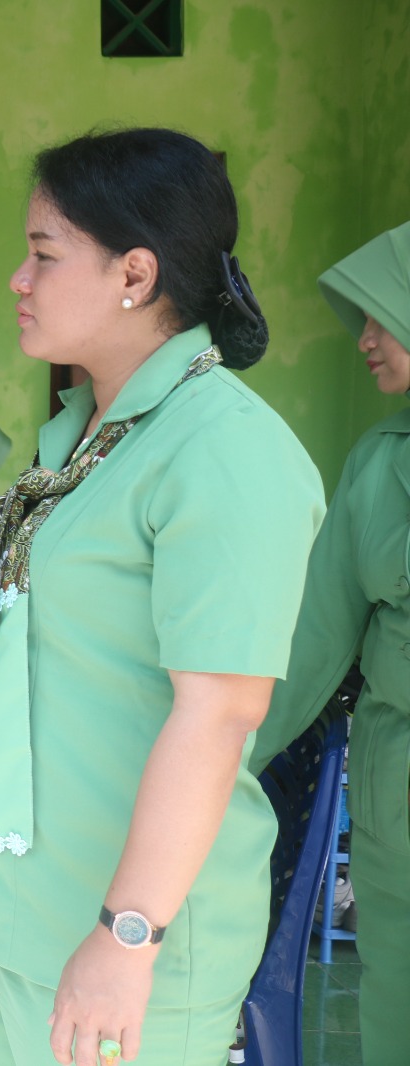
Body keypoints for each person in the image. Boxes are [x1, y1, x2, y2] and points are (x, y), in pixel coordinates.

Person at [0, 128, 325, 1066]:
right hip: (7, 917)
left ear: (135, 273)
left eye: (44, 255)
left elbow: (218, 713)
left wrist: (126, 936)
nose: (18, 279)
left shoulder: (222, 449)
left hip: (120, 942)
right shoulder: (82, 439)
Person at [252, 220, 410, 1066]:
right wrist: (223, 762)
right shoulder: (379, 466)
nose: (364, 338)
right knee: (398, 1002)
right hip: (398, 792)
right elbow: (314, 645)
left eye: (381, 314)